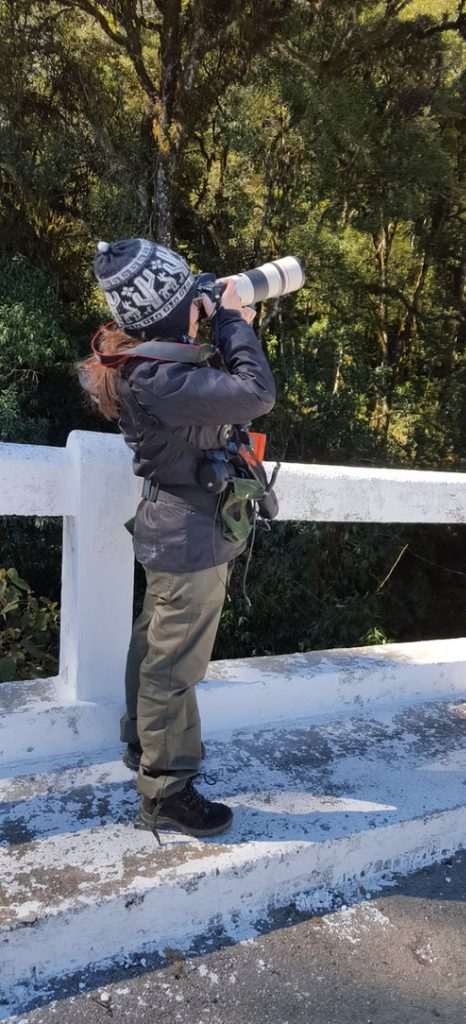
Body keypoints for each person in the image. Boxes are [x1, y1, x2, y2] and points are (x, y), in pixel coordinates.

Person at [79, 238, 276, 840]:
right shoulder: (159, 378)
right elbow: (256, 392)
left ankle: (143, 744)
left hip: (174, 529)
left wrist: (209, 318)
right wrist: (235, 322)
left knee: (154, 642)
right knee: (175, 664)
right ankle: (166, 792)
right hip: (189, 537)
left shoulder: (145, 364)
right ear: (166, 309)